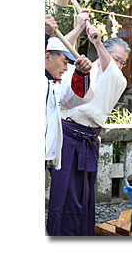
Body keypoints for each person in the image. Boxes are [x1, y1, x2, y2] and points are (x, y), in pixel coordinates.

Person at [46, 26, 131, 236]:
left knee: (84, 198)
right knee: (63, 194)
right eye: (116, 59)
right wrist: (79, 27)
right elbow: (59, 52)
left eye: (123, 62)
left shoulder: (118, 79)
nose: (118, 65)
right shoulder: (80, 68)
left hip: (89, 141)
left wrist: (97, 42)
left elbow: (110, 69)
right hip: (68, 138)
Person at [45, 37, 94, 172]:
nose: (66, 68)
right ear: (47, 57)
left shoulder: (55, 85)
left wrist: (81, 73)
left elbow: (72, 99)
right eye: (64, 62)